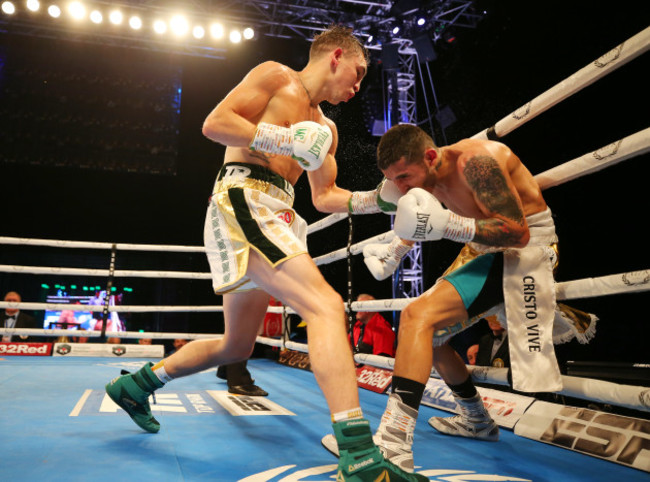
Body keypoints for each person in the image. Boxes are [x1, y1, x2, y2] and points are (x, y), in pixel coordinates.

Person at [105, 26, 426, 482]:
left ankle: (134, 386)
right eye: (356, 74)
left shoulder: (328, 130)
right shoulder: (276, 77)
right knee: (326, 305)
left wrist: (379, 199)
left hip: (281, 211)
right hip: (245, 198)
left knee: (237, 344)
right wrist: (284, 140)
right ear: (336, 56)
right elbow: (215, 123)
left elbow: (326, 196)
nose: (357, 88)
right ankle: (359, 456)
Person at [351, 123, 566, 472]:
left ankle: (393, 442)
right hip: (482, 249)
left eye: (404, 177)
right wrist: (394, 252)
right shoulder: (425, 176)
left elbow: (518, 232)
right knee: (426, 336)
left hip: (525, 250)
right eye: (395, 180)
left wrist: (450, 224)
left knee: (416, 316)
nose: (401, 188)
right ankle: (477, 420)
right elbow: (423, 215)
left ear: (431, 156)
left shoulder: (478, 163)